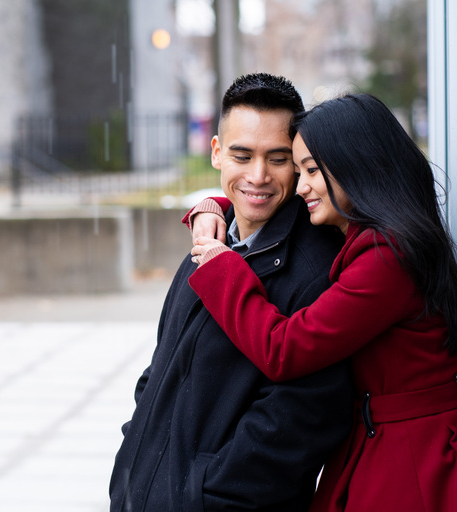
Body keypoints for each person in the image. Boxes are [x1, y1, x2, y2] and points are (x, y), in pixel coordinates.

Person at [188, 93, 457, 512]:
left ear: (355, 166)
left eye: (311, 170)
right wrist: (214, 207)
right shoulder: (374, 234)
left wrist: (220, 267)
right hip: (379, 441)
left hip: (414, 458)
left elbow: (284, 349)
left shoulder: (387, 256)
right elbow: (260, 199)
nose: (301, 186)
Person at [109, 73, 353, 511]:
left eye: (277, 159)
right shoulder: (206, 247)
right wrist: (133, 456)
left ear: (297, 161)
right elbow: (159, 371)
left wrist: (204, 494)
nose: (257, 176)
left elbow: (300, 422)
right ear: (218, 152)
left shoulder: (319, 272)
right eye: (243, 155)